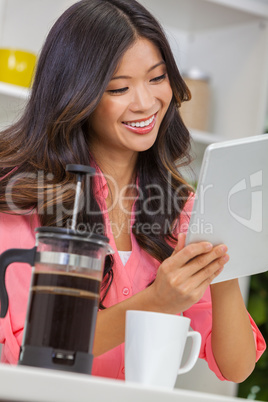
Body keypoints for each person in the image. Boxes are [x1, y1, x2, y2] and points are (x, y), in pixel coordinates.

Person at [0, 0, 266, 383]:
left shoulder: (180, 208)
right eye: (120, 88)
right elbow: (25, 354)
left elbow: (235, 366)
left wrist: (222, 255)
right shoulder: (22, 197)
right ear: (78, 96)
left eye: (157, 79)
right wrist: (156, 302)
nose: (145, 103)